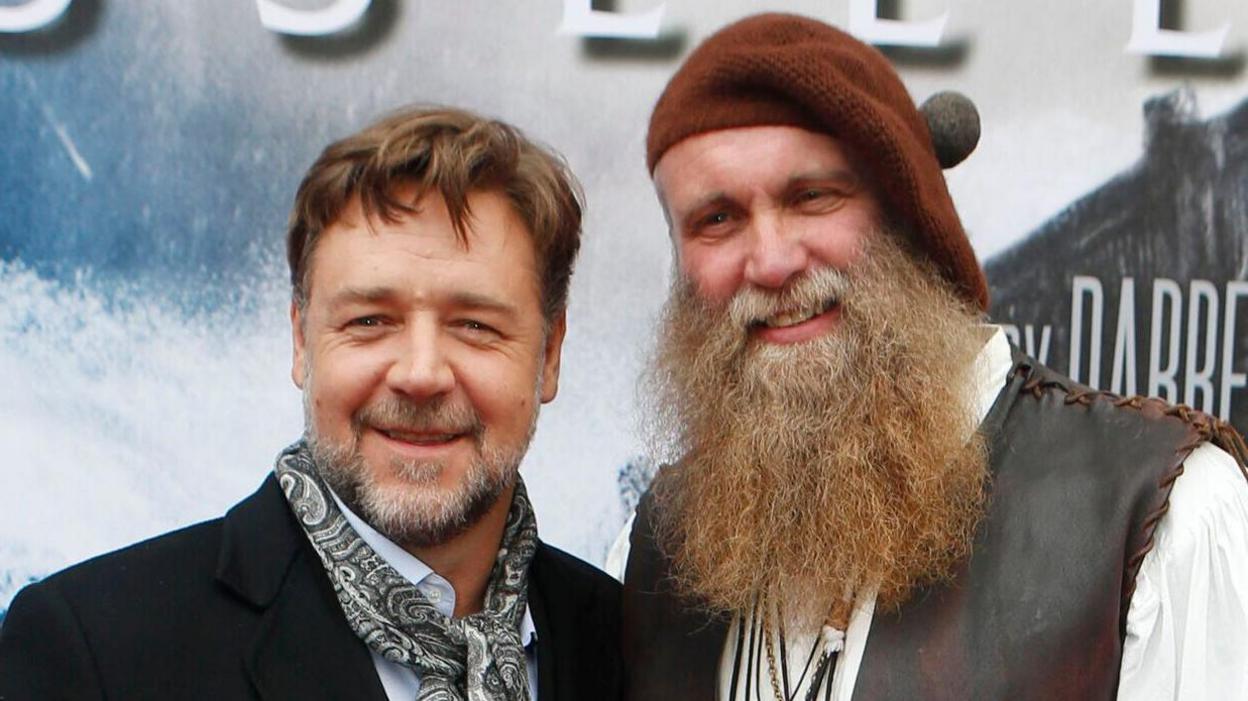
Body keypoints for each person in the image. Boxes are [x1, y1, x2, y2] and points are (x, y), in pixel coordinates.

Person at [611, 13, 1248, 700]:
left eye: (814, 196)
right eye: (717, 218)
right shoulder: (655, 544)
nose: (769, 261)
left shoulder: (1165, 518)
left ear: (913, 213)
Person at [0, 107, 621, 701]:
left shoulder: (627, 646)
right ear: (301, 341)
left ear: (549, 355)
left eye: (475, 325)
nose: (421, 373)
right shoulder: (96, 650)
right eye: (371, 320)